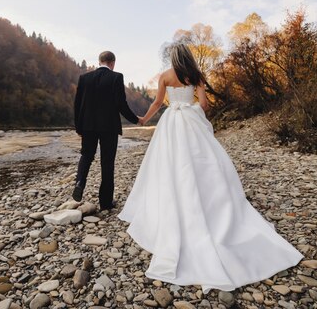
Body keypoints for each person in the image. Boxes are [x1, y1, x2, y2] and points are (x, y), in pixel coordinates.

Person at [117, 43, 303, 293]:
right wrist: (191, 107)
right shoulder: (195, 76)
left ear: (173, 57)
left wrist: (143, 119)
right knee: (203, 161)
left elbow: (159, 102)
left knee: (170, 164)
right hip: (191, 122)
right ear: (188, 57)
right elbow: (203, 105)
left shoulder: (165, 76)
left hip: (172, 123)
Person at [72, 51, 142, 210]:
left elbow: (77, 105)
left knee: (87, 155)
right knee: (107, 162)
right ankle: (105, 202)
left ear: (99, 61)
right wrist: (136, 120)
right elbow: (121, 105)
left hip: (88, 126)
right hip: (109, 127)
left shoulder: (84, 78)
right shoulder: (116, 77)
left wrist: (79, 127)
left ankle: (80, 182)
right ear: (112, 63)